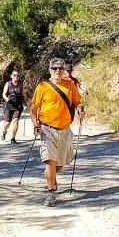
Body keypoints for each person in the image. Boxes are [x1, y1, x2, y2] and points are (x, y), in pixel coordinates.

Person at [30, 57, 85, 207]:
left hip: (65, 130)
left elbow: (76, 102)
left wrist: (80, 109)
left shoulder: (70, 85)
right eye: (54, 68)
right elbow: (33, 108)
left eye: (60, 68)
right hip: (47, 129)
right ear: (49, 70)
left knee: (60, 163)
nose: (57, 71)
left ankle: (51, 177)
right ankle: (51, 192)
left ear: (64, 70)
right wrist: (35, 124)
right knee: (49, 160)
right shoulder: (42, 87)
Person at [0, 70, 25, 144]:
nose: (16, 77)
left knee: (16, 120)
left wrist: (25, 104)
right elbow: (3, 94)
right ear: (11, 76)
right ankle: (4, 131)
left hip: (18, 105)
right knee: (7, 123)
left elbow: (22, 96)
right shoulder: (8, 84)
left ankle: (13, 138)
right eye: (14, 75)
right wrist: (7, 99)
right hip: (9, 105)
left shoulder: (21, 85)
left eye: (17, 75)